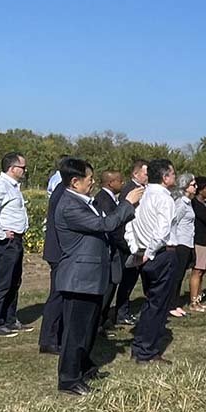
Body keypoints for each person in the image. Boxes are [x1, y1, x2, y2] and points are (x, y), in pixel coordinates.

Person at [51, 158, 141, 396]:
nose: (92, 183)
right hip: (79, 278)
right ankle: (69, 378)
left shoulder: (84, 201)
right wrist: (127, 204)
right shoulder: (70, 205)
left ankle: (84, 365)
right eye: (89, 179)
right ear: (74, 182)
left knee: (89, 327)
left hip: (91, 277)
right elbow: (106, 224)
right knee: (76, 331)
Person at [125, 159, 178, 364]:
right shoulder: (164, 198)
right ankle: (146, 350)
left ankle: (142, 344)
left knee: (151, 302)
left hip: (148, 254)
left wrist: (137, 248)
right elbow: (163, 231)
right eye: (172, 173)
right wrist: (150, 251)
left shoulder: (144, 194)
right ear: (165, 177)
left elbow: (132, 224)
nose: (174, 176)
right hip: (161, 254)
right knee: (158, 304)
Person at [0, 152, 32, 338]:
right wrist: (1, 233)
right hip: (4, 242)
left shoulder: (13, 187)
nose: (25, 171)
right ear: (12, 168)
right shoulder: (0, 185)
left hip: (15, 240)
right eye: (23, 168)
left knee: (14, 281)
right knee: (1, 282)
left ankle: (10, 319)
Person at [39, 156, 74, 354]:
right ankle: (49, 339)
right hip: (59, 250)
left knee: (59, 293)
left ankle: (54, 335)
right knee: (58, 295)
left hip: (57, 249)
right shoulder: (62, 193)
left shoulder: (61, 190)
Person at [112, 159, 149, 326]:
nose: (148, 177)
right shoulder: (131, 190)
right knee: (127, 280)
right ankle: (121, 312)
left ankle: (123, 311)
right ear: (136, 174)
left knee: (132, 279)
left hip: (137, 240)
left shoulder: (142, 189)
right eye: (146, 173)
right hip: (128, 241)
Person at [93, 171, 132, 332]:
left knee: (113, 285)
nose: (123, 184)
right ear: (110, 183)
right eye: (120, 181)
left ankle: (103, 320)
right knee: (107, 287)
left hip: (117, 249)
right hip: (112, 249)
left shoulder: (111, 199)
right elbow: (112, 227)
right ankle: (97, 322)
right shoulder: (103, 199)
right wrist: (126, 246)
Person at [167, 173, 197, 317]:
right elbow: (174, 222)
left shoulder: (188, 203)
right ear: (185, 186)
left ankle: (176, 303)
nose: (195, 187)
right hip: (180, 242)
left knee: (181, 275)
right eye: (193, 185)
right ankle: (170, 304)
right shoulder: (181, 203)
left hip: (188, 242)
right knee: (176, 275)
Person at [189, 176, 206, 312]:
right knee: (197, 270)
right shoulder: (196, 204)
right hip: (200, 240)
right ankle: (193, 301)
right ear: (200, 190)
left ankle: (198, 299)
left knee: (203, 270)